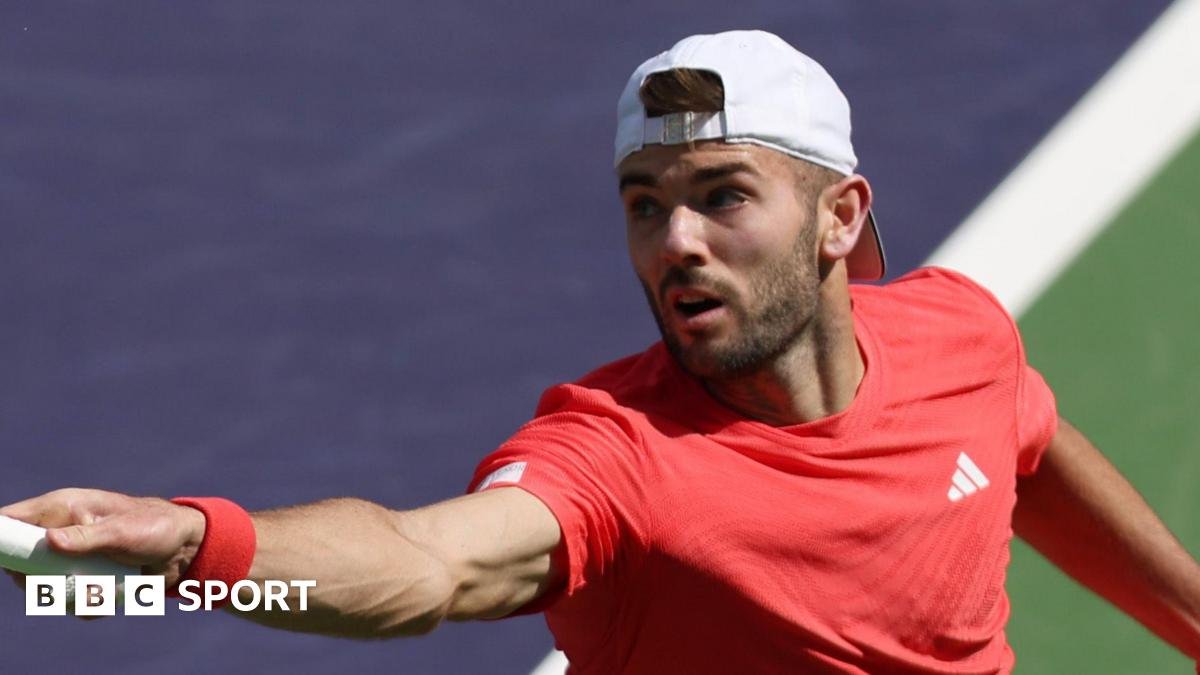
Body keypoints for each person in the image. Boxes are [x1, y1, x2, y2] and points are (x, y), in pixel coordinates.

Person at [4, 29, 1199, 674]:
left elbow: (1024, 450)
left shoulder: (958, 337)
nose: (674, 240)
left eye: (722, 195)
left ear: (840, 218)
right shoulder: (618, 462)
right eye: (643, 202)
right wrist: (198, 547)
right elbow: (427, 567)